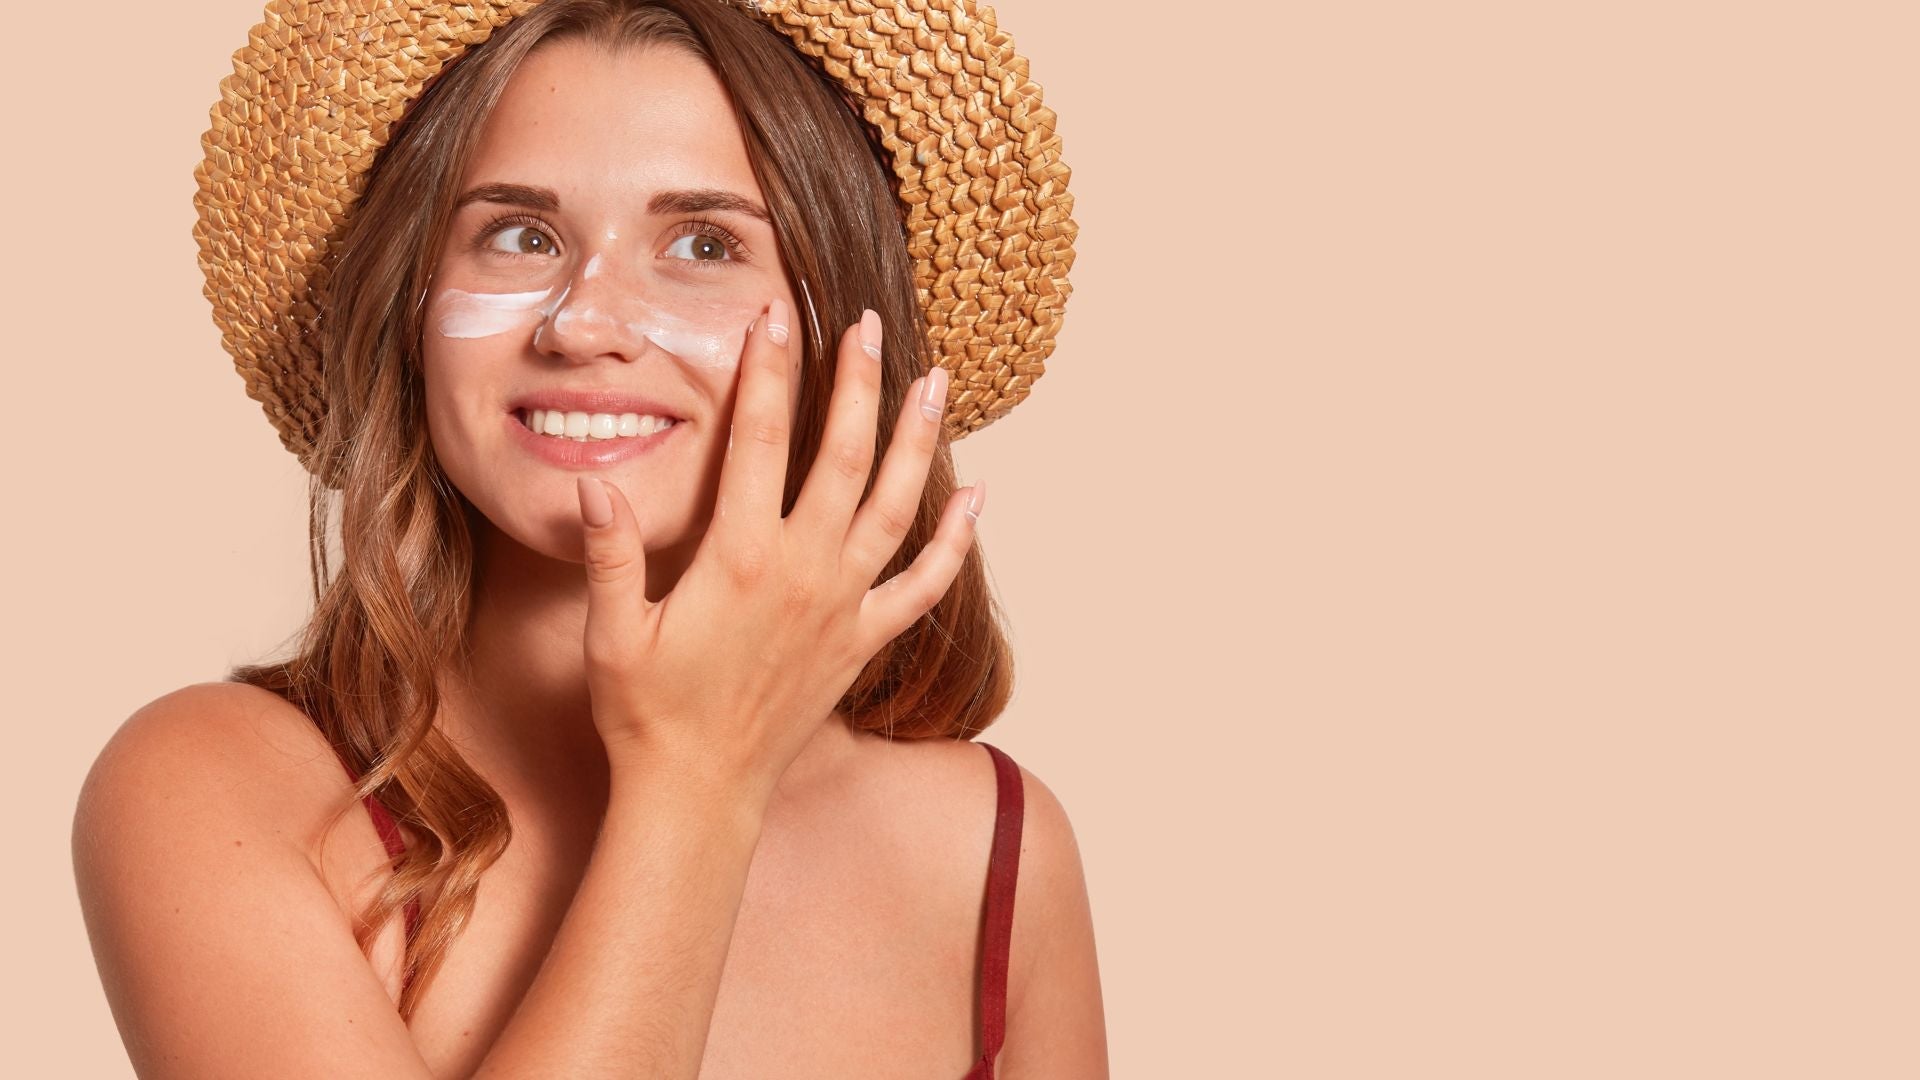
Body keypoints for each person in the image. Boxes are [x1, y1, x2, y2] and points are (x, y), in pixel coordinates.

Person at [70, 0, 1105, 1076]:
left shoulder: (993, 854)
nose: (583, 323)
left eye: (703, 243)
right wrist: (696, 777)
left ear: (852, 329)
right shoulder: (218, 791)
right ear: (409, 317)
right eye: (520, 235)